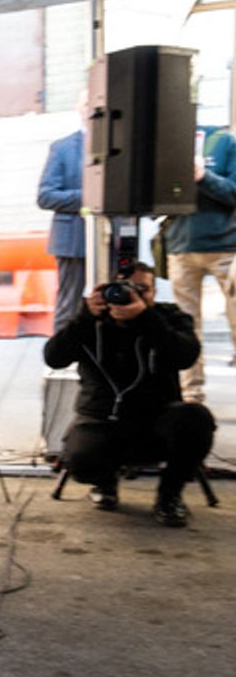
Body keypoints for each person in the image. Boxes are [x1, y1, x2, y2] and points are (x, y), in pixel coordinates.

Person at [43, 262, 214, 527]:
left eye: (141, 289)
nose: (131, 295)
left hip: (158, 420)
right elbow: (54, 358)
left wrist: (147, 319)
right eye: (122, 289)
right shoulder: (90, 320)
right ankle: (104, 483)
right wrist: (85, 317)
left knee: (196, 418)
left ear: (154, 293)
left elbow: (186, 356)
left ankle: (169, 496)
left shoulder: (168, 317)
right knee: (82, 461)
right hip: (102, 421)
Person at [165, 127, 236, 402]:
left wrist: (204, 177)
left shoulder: (223, 142)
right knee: (186, 327)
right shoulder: (165, 145)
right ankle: (191, 395)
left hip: (226, 248)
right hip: (182, 247)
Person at [37, 93, 88, 331]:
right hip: (73, 240)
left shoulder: (122, 147)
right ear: (80, 109)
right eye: (88, 104)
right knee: (70, 303)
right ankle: (61, 360)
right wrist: (89, 197)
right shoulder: (63, 148)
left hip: (113, 238)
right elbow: (46, 196)